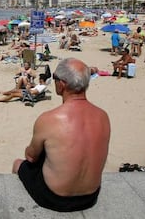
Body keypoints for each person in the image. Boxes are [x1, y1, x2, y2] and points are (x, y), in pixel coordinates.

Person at [12, 58, 110, 212]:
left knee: (19, 164)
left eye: (55, 78)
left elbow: (31, 157)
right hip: (90, 196)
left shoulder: (49, 119)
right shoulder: (103, 116)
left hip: (55, 197)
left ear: (62, 84)